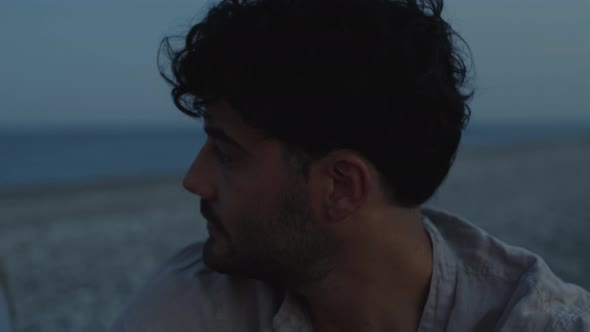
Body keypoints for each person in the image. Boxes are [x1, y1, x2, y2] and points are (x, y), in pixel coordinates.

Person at [111, 0, 590, 330]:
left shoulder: (537, 322)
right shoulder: (192, 308)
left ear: (341, 186)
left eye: (226, 153)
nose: (194, 180)